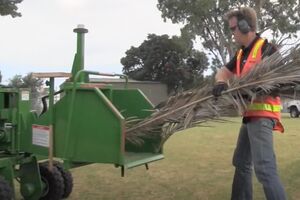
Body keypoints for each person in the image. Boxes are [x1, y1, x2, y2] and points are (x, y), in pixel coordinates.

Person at [212, 7, 287, 200]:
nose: (232, 33)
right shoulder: (240, 54)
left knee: (265, 169)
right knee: (241, 162)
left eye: (233, 28)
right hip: (250, 117)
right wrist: (221, 82)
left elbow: (278, 82)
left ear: (246, 27)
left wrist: (250, 92)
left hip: (262, 117)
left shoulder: (267, 49)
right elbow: (223, 72)